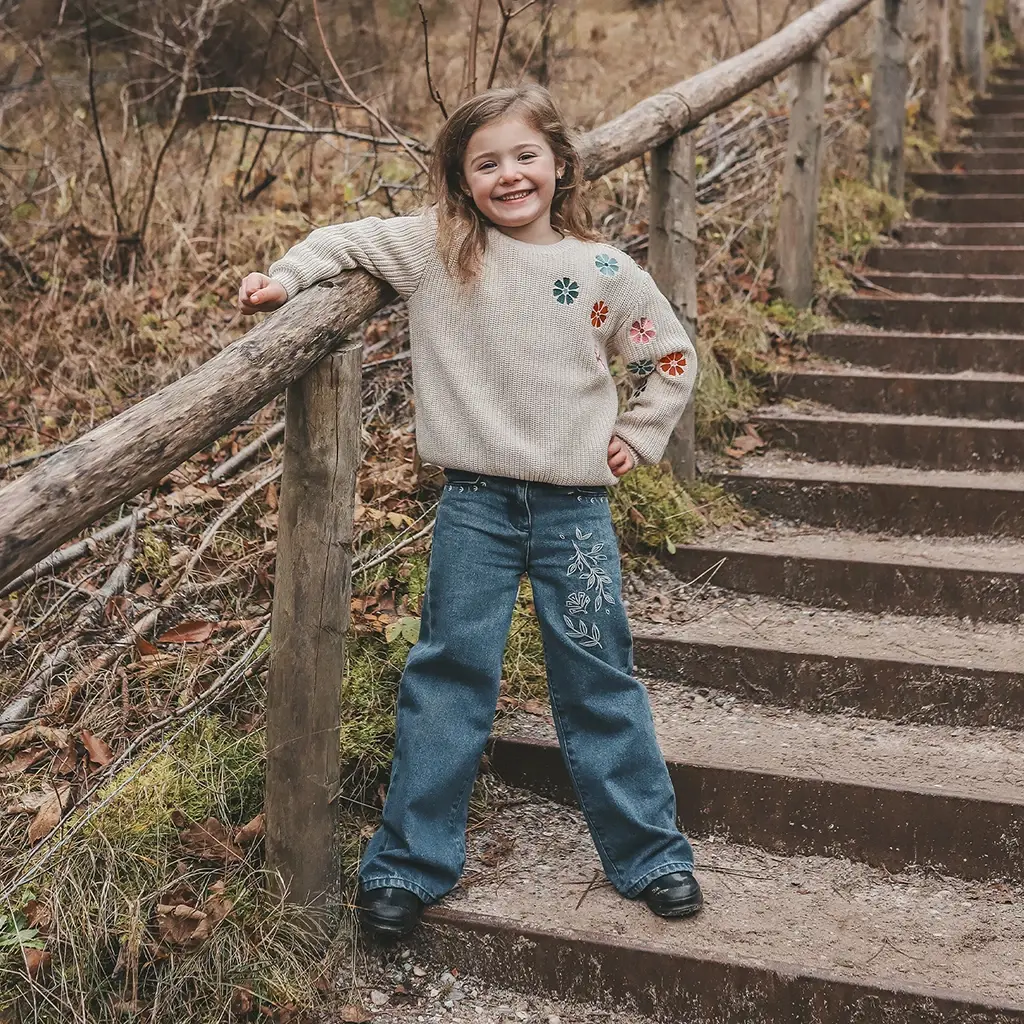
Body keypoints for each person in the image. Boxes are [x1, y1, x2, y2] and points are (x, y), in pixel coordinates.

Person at [238, 84, 700, 939]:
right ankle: (408, 868)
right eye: (485, 162)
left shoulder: (603, 271)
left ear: (560, 163)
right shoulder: (438, 249)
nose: (509, 174)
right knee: (448, 676)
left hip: (576, 513)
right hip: (476, 507)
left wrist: (639, 434)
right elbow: (343, 239)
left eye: (525, 155)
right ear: (460, 178)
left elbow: (670, 355)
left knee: (599, 675)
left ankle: (653, 855)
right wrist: (286, 278)